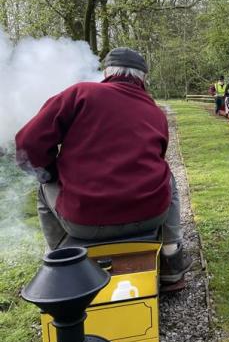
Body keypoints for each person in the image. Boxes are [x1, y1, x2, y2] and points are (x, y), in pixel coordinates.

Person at [14, 47, 192, 287]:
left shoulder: (80, 93)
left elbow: (27, 142)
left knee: (43, 186)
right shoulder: (154, 110)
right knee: (168, 177)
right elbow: (158, 155)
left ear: (107, 72)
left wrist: (51, 173)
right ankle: (172, 261)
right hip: (150, 215)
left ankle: (61, 264)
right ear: (143, 78)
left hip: (84, 223)